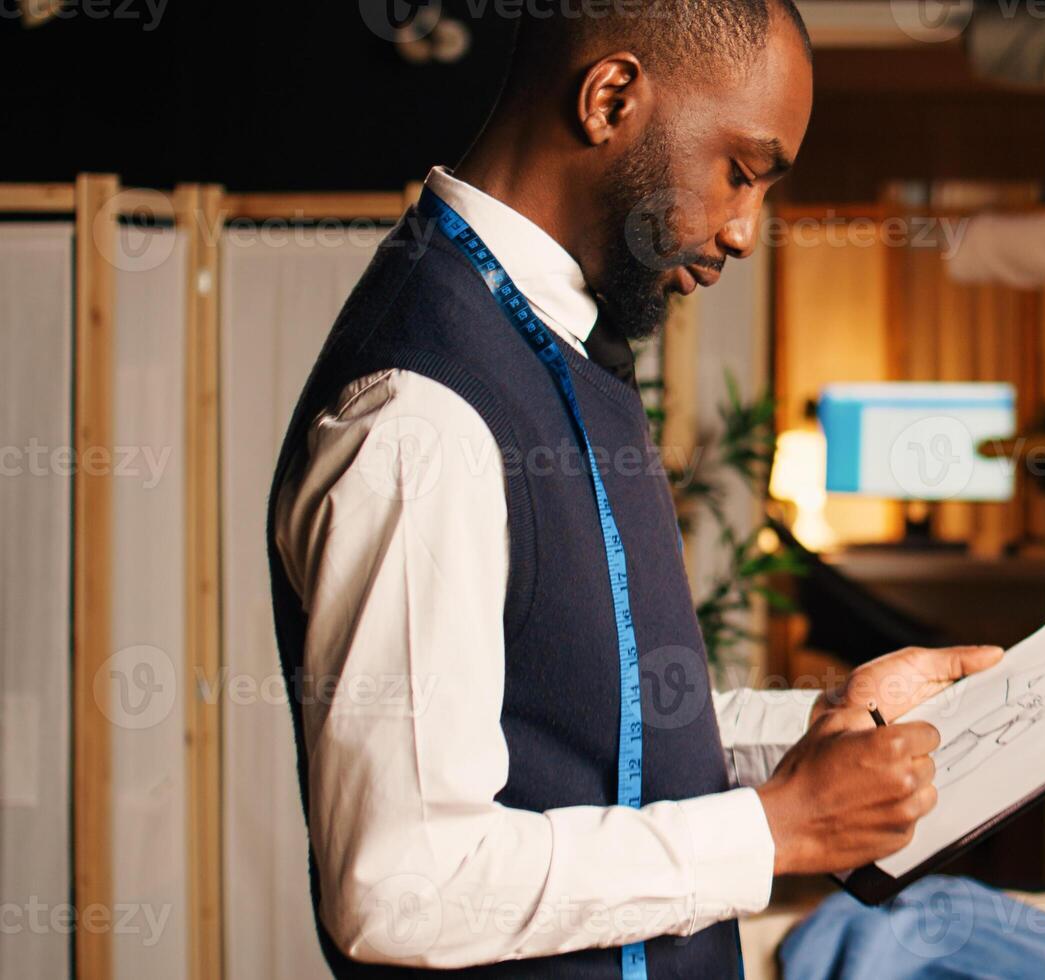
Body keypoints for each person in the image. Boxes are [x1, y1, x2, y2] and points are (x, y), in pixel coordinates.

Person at [265, 3, 1002, 976]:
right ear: (610, 98)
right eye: (741, 171)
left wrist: (827, 722)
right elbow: (400, 883)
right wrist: (777, 830)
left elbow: (591, 728)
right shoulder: (421, 420)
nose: (744, 230)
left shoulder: (550, 338)